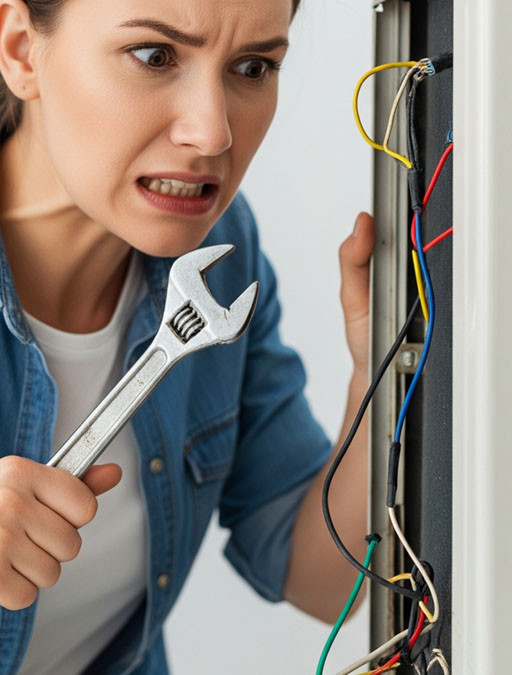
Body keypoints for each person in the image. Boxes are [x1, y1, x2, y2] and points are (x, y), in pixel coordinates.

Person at [0, 0, 379, 671]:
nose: (212, 133)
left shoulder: (223, 253)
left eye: (253, 66)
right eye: (154, 55)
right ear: (22, 50)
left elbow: (326, 581)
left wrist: (379, 371)